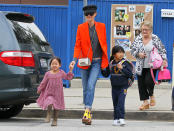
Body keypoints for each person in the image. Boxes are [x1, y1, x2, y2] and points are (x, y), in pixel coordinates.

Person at [70, 5, 109, 125]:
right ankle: (87, 112)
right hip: (84, 61)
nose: (88, 16)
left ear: (95, 14)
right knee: (85, 88)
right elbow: (77, 45)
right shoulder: (80, 27)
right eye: (87, 14)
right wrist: (74, 60)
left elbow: (103, 44)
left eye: (91, 14)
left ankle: (87, 110)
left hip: (96, 62)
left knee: (91, 86)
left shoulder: (101, 26)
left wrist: (104, 61)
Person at [130, 21, 167, 110]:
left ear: (150, 30)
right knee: (141, 84)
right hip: (140, 65)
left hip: (152, 66)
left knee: (149, 82)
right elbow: (132, 50)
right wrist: (138, 54)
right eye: (142, 30)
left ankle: (151, 94)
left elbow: (162, 49)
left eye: (146, 30)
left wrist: (164, 60)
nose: (144, 31)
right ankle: (145, 102)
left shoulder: (155, 38)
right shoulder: (138, 38)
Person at [37, 57, 74, 126]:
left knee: (57, 108)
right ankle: (48, 114)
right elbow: (43, 83)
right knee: (49, 102)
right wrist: (39, 89)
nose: (54, 65)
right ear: (50, 65)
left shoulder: (61, 72)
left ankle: (55, 120)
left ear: (59, 65)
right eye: (52, 64)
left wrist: (71, 70)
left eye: (56, 64)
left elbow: (68, 77)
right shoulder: (48, 74)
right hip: (49, 93)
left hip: (58, 94)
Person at [101, 46, 133, 126]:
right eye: (119, 52)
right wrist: (102, 69)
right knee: (115, 103)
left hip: (123, 87)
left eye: (122, 52)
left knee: (121, 102)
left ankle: (121, 118)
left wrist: (122, 68)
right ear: (114, 54)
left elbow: (130, 74)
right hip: (114, 87)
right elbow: (106, 74)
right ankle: (115, 119)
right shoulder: (111, 63)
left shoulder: (126, 63)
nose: (121, 54)